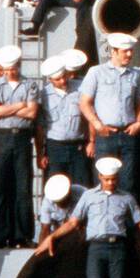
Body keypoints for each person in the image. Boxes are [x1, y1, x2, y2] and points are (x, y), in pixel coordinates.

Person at [79, 33, 140, 198]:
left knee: (128, 183)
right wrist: (97, 125)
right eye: (125, 51)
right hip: (107, 135)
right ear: (113, 52)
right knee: (103, 183)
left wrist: (139, 122)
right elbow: (84, 103)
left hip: (128, 135)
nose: (130, 54)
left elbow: (139, 104)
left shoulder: (136, 75)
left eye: (131, 51)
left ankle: (125, 223)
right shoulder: (96, 72)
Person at [0, 45, 39, 247]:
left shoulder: (30, 85)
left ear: (18, 65)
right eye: (7, 69)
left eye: (13, 68)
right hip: (1, 137)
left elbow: (32, 113)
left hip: (22, 138)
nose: (10, 72)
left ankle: (22, 235)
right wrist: (20, 106)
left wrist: (5, 109)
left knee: (22, 186)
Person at [36, 55, 88, 187]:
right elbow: (40, 127)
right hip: (55, 147)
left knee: (81, 185)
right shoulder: (44, 95)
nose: (63, 81)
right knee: (56, 186)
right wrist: (40, 153)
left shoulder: (81, 88)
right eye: (58, 79)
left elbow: (90, 116)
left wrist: (92, 141)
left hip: (78, 146)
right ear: (50, 79)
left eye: (64, 76)